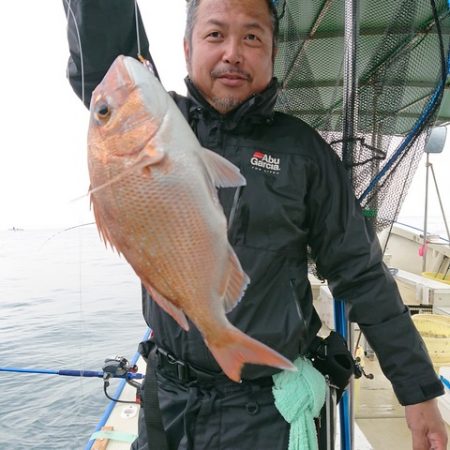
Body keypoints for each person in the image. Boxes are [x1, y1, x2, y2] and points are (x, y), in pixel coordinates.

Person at [63, 1, 448, 449]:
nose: (232, 52)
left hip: (264, 415)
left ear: (271, 54)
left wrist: (418, 390)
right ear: (186, 47)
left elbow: (360, 273)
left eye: (252, 37)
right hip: (167, 403)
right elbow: (109, 63)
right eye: (214, 36)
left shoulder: (305, 155)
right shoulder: (158, 124)